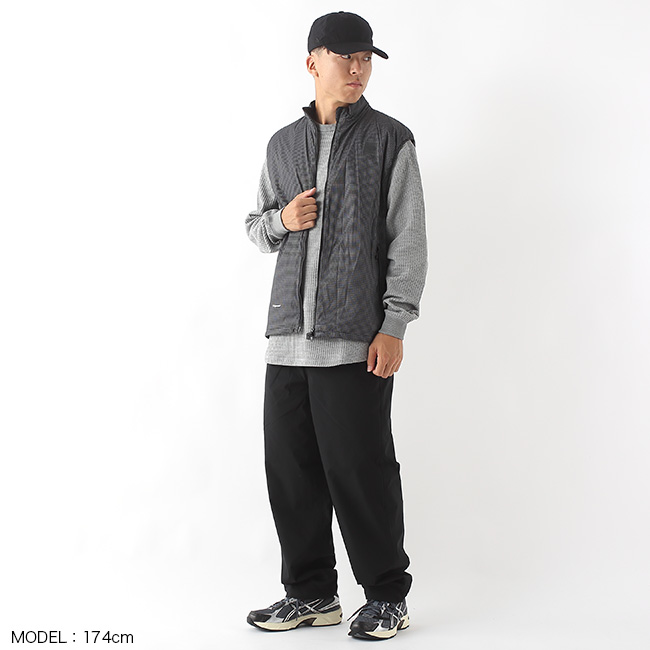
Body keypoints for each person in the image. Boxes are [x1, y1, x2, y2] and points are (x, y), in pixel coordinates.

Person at [244, 11, 428, 641]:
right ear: (312, 62)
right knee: (290, 473)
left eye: (366, 59)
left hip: (355, 340)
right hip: (286, 340)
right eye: (345, 57)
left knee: (361, 471)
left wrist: (394, 324)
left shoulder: (390, 139)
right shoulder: (282, 145)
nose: (357, 69)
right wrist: (283, 221)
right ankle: (311, 595)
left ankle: (387, 596)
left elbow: (409, 239)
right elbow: (255, 227)